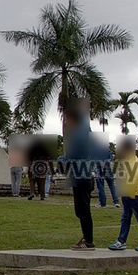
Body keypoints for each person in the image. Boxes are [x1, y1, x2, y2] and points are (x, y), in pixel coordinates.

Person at [59, 103, 96, 250]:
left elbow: (73, 155)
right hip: (83, 175)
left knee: (82, 210)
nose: (65, 122)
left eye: (66, 119)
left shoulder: (78, 134)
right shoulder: (85, 131)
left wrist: (62, 160)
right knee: (82, 210)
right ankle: (87, 238)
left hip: (80, 175)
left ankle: (88, 241)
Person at [108, 137, 138, 251]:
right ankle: (121, 241)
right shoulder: (126, 160)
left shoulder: (134, 161)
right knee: (125, 218)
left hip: (135, 195)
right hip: (127, 194)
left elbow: (134, 179)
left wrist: (129, 194)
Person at [26, 134, 55, 201]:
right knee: (42, 181)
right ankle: (42, 195)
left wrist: (29, 169)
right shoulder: (46, 148)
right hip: (43, 164)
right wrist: (52, 170)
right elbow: (50, 160)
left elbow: (29, 159)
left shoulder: (32, 147)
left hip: (35, 163)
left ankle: (32, 192)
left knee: (32, 180)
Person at [93, 135, 119, 208]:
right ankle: (116, 202)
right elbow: (111, 158)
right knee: (111, 185)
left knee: (100, 186)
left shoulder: (95, 149)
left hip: (98, 168)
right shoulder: (106, 148)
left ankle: (102, 203)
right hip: (107, 167)